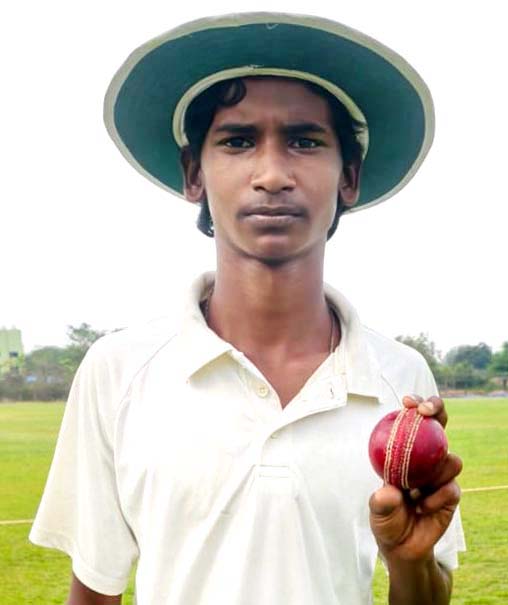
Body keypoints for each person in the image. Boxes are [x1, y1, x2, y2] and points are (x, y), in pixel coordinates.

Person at [30, 12, 466, 605]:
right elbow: (93, 592)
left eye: (305, 141)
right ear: (194, 174)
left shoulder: (400, 378)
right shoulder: (118, 369)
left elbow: (425, 595)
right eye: (237, 141)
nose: (272, 175)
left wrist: (409, 561)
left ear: (349, 177)